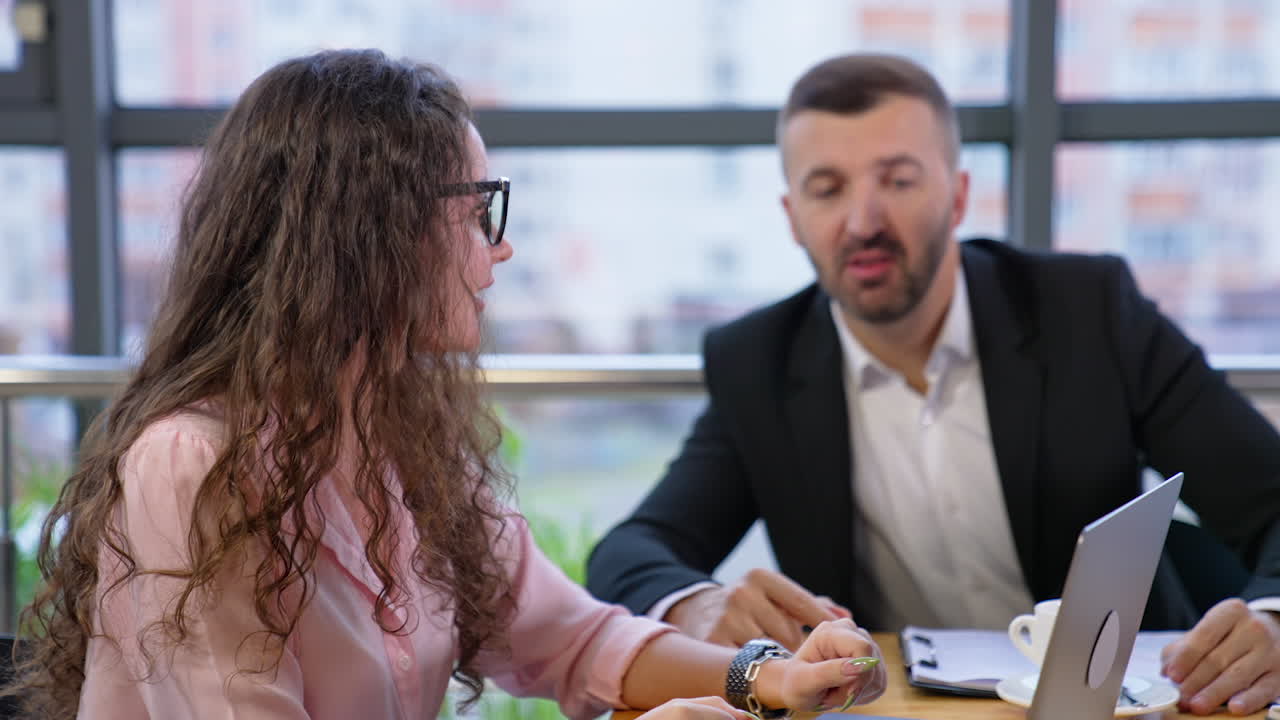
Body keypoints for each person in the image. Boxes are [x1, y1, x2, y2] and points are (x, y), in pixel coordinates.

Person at [0, 50, 888, 720]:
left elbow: (569, 638)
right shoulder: (193, 465)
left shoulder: (395, 430)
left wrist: (767, 674)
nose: (498, 247)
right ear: (367, 231)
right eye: (476, 211)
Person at [586, 53, 1280, 716]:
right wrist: (698, 605)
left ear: (959, 195)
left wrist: (1274, 620)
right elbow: (631, 550)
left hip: (1118, 708)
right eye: (827, 189)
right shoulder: (758, 363)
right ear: (792, 216)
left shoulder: (1089, 311)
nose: (864, 222)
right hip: (890, 711)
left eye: (898, 179)